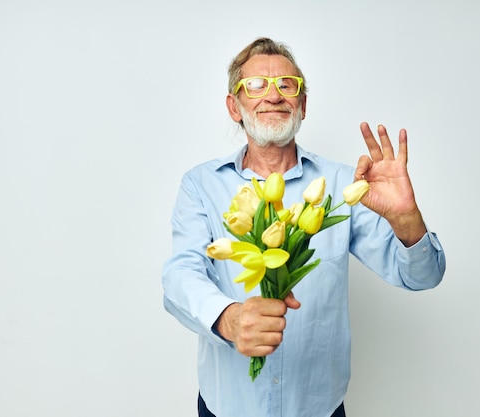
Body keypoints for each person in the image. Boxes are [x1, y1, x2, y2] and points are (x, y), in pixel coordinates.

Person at [162, 37, 446, 417]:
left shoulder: (346, 187)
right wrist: (228, 318)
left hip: (319, 410)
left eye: (287, 85)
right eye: (256, 85)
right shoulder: (201, 185)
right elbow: (181, 276)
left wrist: (406, 218)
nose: (273, 95)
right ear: (235, 106)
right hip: (227, 408)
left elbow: (422, 277)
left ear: (303, 104)